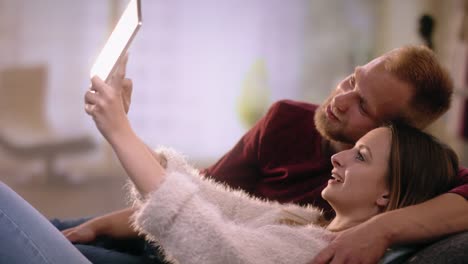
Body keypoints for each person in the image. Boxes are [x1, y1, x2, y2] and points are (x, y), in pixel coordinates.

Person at [59, 45, 468, 263]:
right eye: (351, 82)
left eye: (364, 105)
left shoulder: (318, 245)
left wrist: (381, 229)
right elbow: (205, 191)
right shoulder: (291, 139)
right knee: (53, 225)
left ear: (395, 136)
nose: (341, 101)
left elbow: (216, 243)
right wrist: (124, 133)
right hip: (168, 226)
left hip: (187, 240)